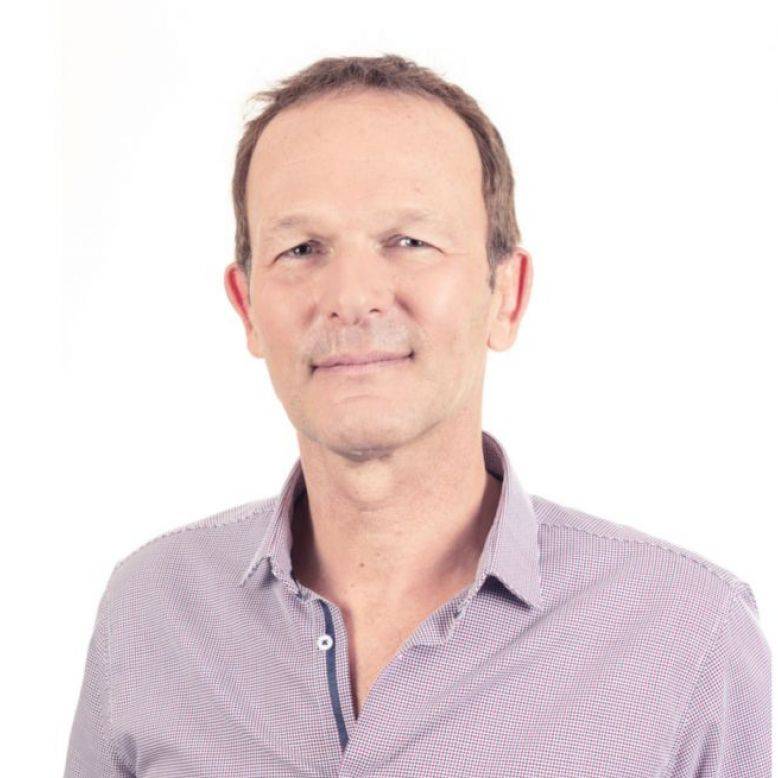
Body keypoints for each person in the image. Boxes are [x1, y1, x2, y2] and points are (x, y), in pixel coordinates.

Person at [64, 54, 770, 777]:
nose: (352, 296)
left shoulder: (689, 637)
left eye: (409, 242)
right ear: (247, 307)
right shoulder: (151, 612)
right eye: (301, 249)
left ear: (506, 295)